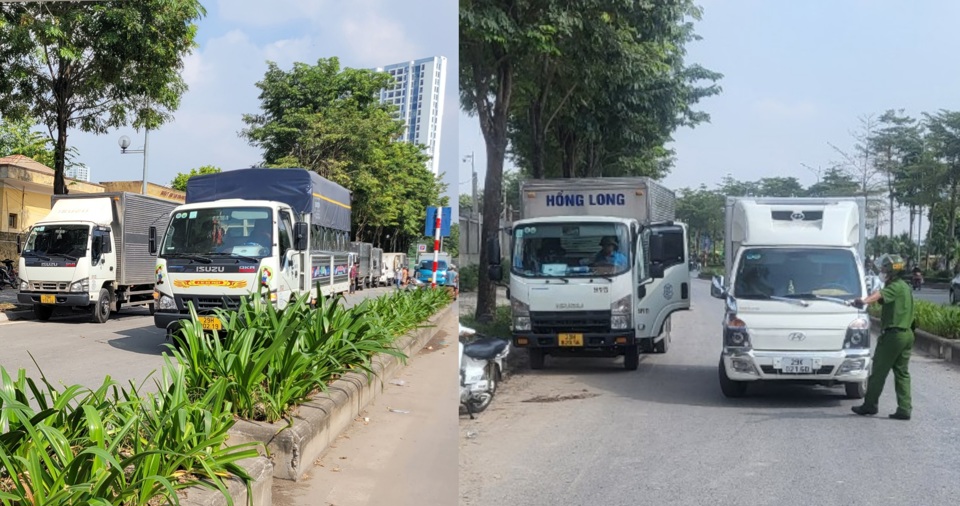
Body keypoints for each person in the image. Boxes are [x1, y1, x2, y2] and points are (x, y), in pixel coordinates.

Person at [850, 256, 915, 420]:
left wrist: (864, 301)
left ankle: (869, 405)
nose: (882, 272)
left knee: (878, 372)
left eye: (885, 269)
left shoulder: (895, 287)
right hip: (907, 335)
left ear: (892, 271)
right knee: (902, 373)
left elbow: (879, 295)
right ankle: (904, 409)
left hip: (893, 336)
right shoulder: (905, 286)